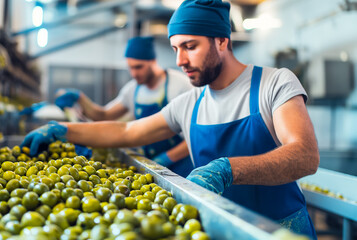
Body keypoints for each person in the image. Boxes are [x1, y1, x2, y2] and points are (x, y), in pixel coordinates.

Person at [21, 0, 319, 238]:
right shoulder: (189, 103)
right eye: (176, 49)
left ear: (222, 41)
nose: (179, 61)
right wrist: (64, 129)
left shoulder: (274, 83)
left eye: (190, 47)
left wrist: (228, 169)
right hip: (213, 231)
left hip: (280, 230)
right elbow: (126, 131)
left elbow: (305, 155)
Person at [53, 36, 194, 177]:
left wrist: (166, 158)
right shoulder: (133, 89)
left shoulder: (180, 85)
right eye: (130, 68)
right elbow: (104, 115)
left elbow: (193, 136)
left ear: (153, 61)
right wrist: (80, 99)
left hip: (181, 165)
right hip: (153, 165)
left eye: (139, 67)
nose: (134, 73)